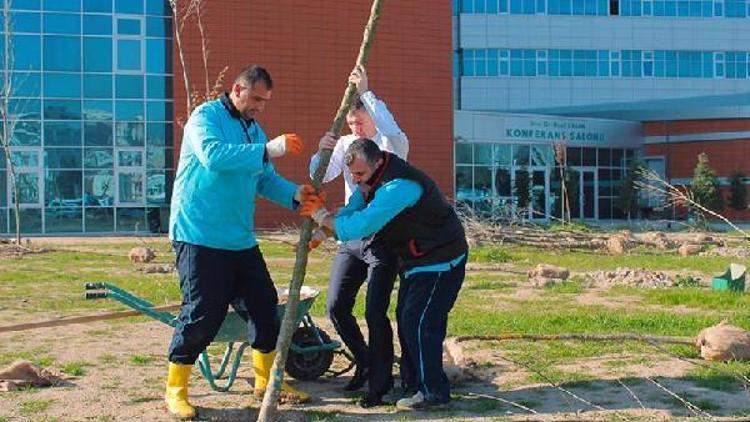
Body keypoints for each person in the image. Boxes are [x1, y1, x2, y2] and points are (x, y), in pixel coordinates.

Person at [165, 65, 322, 419]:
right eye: (255, 99)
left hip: (238, 238)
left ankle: (266, 383)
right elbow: (213, 157)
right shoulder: (204, 117)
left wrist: (296, 196)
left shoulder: (254, 131)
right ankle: (175, 390)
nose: (259, 107)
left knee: (266, 308)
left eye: (264, 102)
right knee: (203, 314)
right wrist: (268, 149)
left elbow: (264, 180)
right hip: (198, 234)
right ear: (237, 89)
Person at [304, 138, 468, 410]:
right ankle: (416, 384)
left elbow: (363, 223)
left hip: (441, 259)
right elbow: (354, 208)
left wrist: (322, 216)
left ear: (377, 162)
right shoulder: (372, 177)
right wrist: (325, 230)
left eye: (360, 174)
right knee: (407, 321)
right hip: (416, 261)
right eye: (352, 175)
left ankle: (434, 393)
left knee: (419, 323)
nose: (356, 181)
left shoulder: (399, 186)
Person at [309, 65, 409, 407]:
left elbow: (393, 132)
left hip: (384, 238)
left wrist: (366, 91)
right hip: (352, 237)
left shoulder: (388, 145)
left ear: (373, 118)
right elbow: (321, 173)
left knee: (375, 312)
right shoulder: (348, 143)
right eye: (351, 124)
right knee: (336, 306)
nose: (355, 129)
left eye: (360, 122)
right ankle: (365, 361)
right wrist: (322, 151)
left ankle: (380, 384)